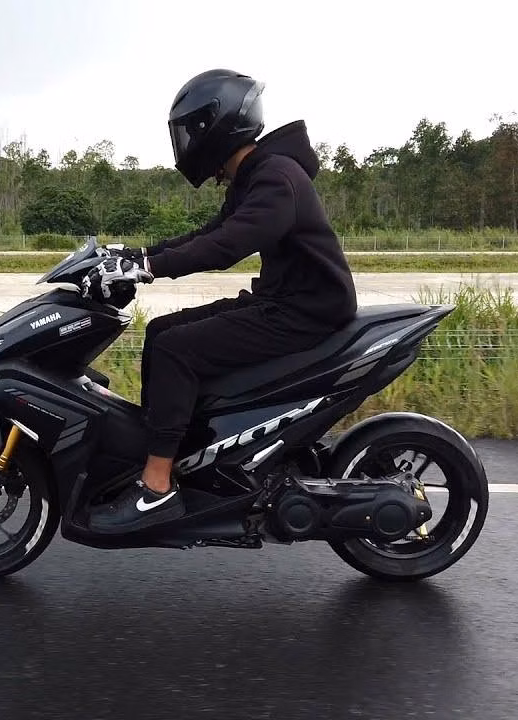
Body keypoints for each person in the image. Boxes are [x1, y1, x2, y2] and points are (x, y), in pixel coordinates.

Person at [87, 68, 358, 534]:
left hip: (305, 312)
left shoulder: (276, 177)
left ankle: (156, 487)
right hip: (285, 301)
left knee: (178, 350)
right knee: (162, 332)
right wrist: (137, 255)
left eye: (190, 131)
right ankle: (169, 453)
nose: (186, 143)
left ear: (216, 126)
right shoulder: (257, 176)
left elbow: (228, 244)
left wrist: (150, 267)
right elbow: (209, 233)